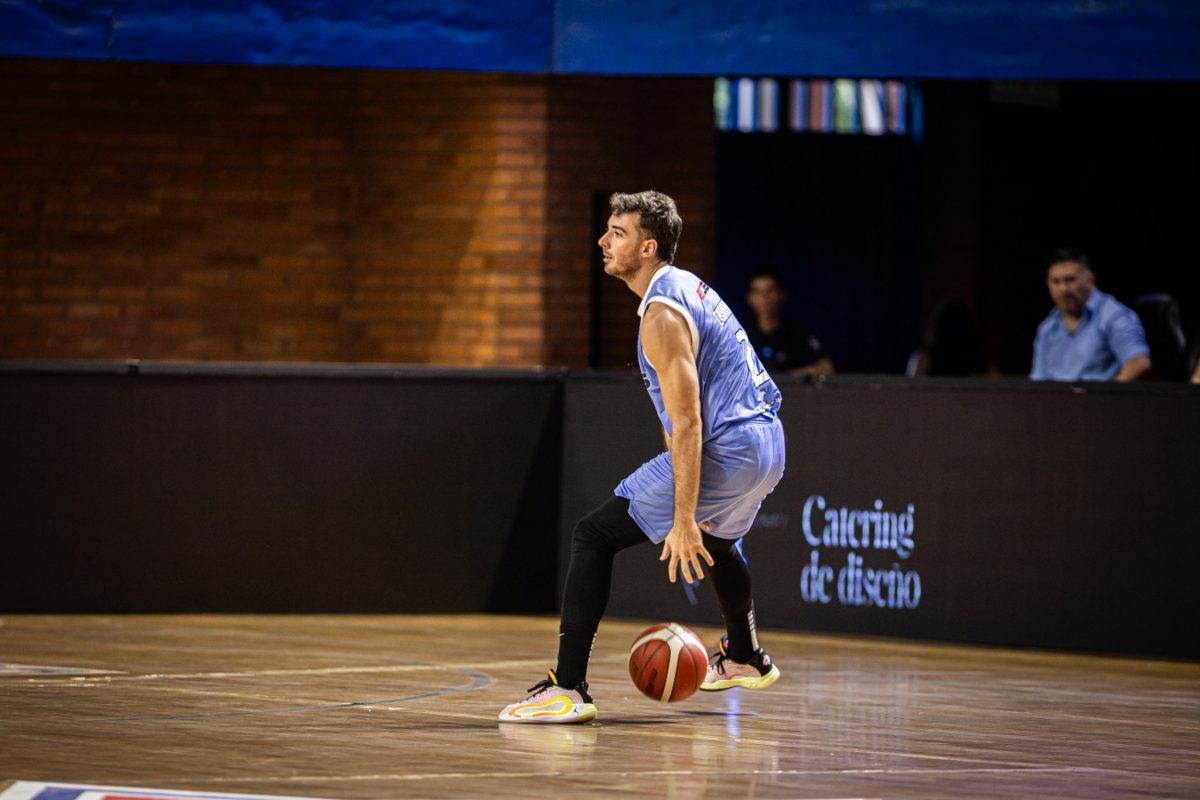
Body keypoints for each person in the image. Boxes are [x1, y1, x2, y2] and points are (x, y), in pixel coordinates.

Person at [499, 191, 786, 724]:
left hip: (729, 447)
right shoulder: (686, 287)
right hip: (768, 443)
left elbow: (690, 422)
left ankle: (568, 689)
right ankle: (744, 655)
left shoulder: (661, 315)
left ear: (648, 247)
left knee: (594, 535)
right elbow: (678, 415)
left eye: (618, 233)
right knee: (720, 542)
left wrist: (683, 518)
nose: (602, 241)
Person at [1030, 248, 1151, 382]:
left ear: (1090, 279)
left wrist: (1110, 392)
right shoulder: (1048, 328)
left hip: (1097, 394)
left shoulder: (1113, 316)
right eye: (1056, 281)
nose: (1063, 289)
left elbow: (1139, 363)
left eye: (1070, 280)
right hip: (1057, 395)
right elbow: (1039, 380)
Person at [744, 270, 835, 375]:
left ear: (781, 295)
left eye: (770, 291)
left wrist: (785, 378)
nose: (765, 297)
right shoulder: (740, 333)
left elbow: (827, 367)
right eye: (758, 291)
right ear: (749, 298)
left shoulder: (798, 331)